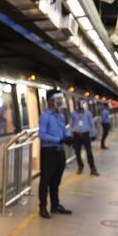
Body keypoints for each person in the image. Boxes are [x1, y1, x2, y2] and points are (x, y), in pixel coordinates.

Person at [38, 90, 73, 219]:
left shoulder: (60, 116)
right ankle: (42, 207)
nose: (60, 102)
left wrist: (68, 137)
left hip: (59, 152)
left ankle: (55, 205)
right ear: (50, 101)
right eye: (57, 99)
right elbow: (41, 135)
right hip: (49, 152)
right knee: (45, 180)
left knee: (56, 180)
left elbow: (64, 131)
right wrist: (58, 140)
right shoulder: (45, 116)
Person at [70, 99, 99, 176]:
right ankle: (80, 166)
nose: (80, 106)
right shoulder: (73, 114)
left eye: (81, 104)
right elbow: (71, 124)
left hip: (86, 134)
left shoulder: (88, 114)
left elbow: (91, 124)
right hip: (76, 135)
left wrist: (93, 134)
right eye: (78, 104)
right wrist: (71, 134)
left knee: (89, 152)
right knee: (77, 152)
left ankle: (93, 168)